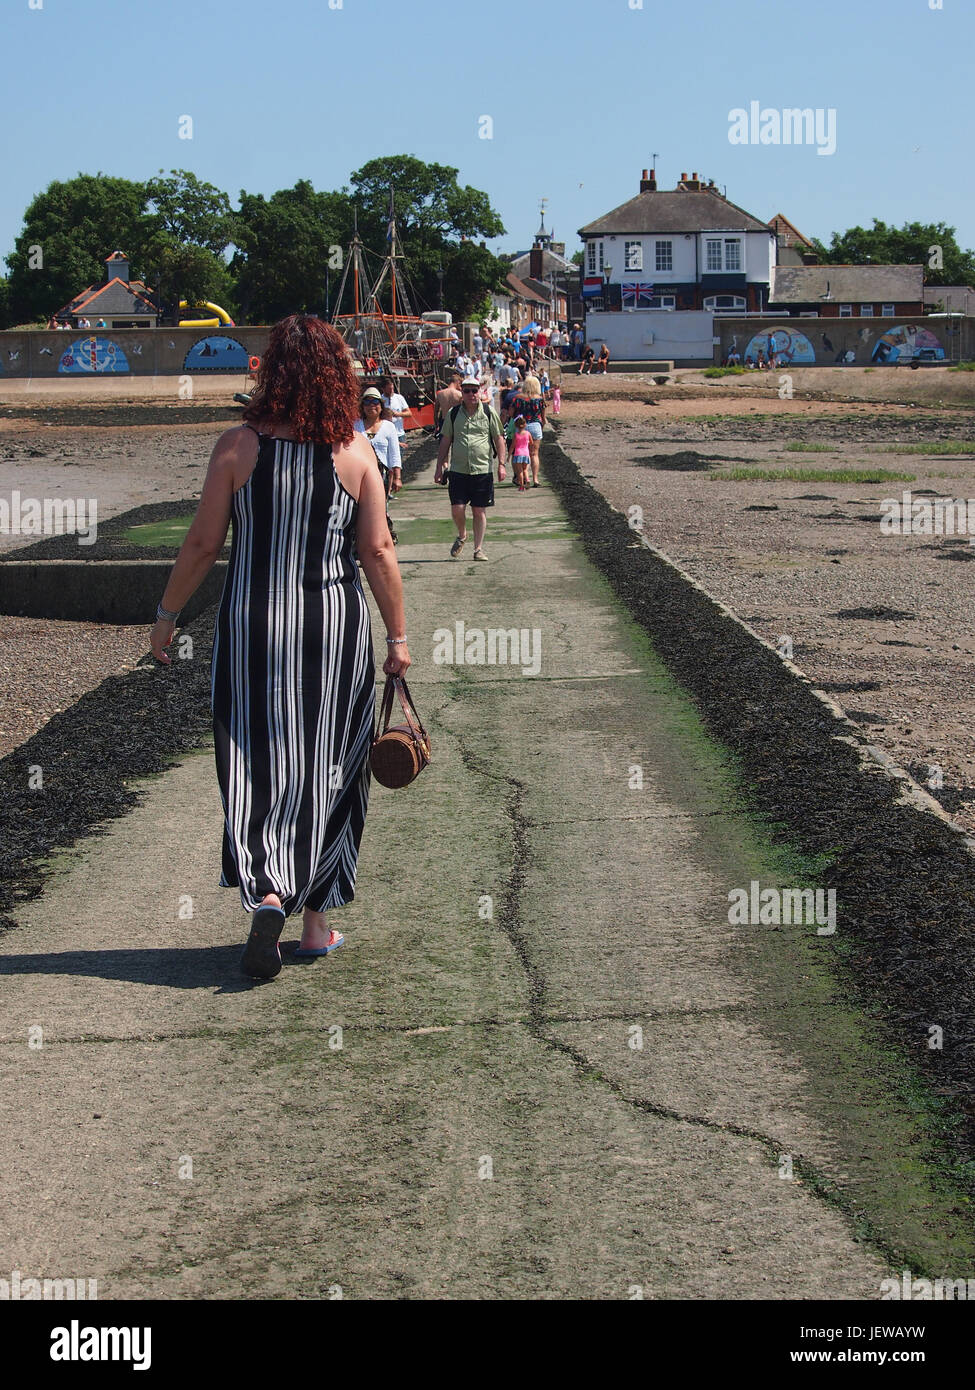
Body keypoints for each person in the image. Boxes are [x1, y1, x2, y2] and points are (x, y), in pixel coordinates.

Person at [150, 314, 409, 980]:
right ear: (334, 376)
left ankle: (268, 889)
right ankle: (317, 925)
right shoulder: (355, 450)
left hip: (253, 627)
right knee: (333, 764)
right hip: (333, 626)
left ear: (273, 372)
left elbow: (203, 544)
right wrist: (399, 638)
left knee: (256, 758)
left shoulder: (236, 446)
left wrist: (166, 615)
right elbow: (377, 550)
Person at [435, 376, 506, 561]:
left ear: (480, 392)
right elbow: (446, 440)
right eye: (466, 391)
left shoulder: (489, 412)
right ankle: (462, 534)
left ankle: (478, 549)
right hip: (458, 469)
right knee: (457, 508)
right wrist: (438, 467)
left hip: (482, 469)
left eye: (474, 390)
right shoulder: (453, 413)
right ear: (462, 393)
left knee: (479, 510)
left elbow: (499, 438)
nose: (471, 394)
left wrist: (502, 465)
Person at [355, 386, 402, 542]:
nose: (371, 406)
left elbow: (394, 454)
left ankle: (381, 539)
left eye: (375, 402)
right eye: (367, 402)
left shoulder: (388, 427)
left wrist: (397, 477)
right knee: (360, 509)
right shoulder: (355, 426)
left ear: (381, 406)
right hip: (358, 475)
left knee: (379, 507)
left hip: (381, 475)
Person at [507, 374, 546, 486]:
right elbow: (543, 418)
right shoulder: (540, 399)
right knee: (534, 454)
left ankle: (523, 477)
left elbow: (510, 413)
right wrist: (541, 427)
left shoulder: (517, 398)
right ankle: (535, 479)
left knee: (520, 452)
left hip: (521, 427)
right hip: (535, 426)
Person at [379, 375, 412, 446]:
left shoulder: (399, 398)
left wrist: (398, 414)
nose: (391, 391)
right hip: (386, 434)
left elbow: (409, 413)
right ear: (383, 389)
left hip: (399, 434)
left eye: (392, 389)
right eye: (389, 389)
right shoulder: (380, 400)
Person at [435, 367, 464, 442]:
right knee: (457, 444)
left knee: (443, 445)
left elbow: (436, 412)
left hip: (444, 421)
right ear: (458, 382)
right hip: (456, 421)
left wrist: (437, 425)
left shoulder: (440, 394)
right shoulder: (459, 395)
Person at [510, 415, 532, 492]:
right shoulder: (528, 433)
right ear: (525, 424)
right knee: (525, 469)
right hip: (526, 453)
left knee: (519, 471)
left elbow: (512, 446)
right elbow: (531, 443)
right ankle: (528, 480)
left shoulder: (516, 435)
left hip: (518, 453)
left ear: (516, 425)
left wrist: (509, 455)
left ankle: (522, 485)